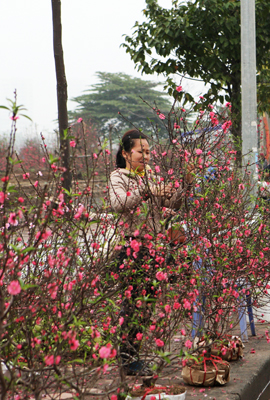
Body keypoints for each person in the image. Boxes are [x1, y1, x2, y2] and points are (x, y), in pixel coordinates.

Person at [109, 129, 186, 375]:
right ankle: (127, 358)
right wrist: (147, 191)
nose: (146, 156)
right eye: (141, 151)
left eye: (148, 151)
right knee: (133, 305)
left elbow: (171, 204)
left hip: (153, 246)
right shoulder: (118, 177)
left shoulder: (150, 175)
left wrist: (184, 186)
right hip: (132, 248)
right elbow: (118, 204)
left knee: (147, 304)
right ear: (125, 153)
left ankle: (134, 353)